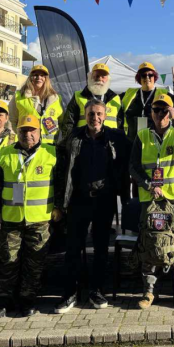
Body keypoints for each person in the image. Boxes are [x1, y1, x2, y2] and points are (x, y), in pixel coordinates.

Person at [54, 99, 130, 313]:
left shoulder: (115, 138)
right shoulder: (74, 137)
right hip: (78, 199)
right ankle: (70, 293)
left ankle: (96, 291)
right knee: (73, 249)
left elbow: (132, 157)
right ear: (85, 116)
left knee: (100, 249)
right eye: (90, 114)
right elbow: (61, 165)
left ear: (105, 116)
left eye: (98, 114)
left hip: (104, 200)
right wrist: (60, 202)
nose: (94, 118)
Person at [0, 114, 59, 317]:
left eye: (32, 130)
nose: (28, 134)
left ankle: (28, 300)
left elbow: (62, 184)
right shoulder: (4, 154)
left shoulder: (52, 153)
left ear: (39, 132)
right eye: (23, 131)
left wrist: (59, 208)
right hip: (11, 219)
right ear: (17, 132)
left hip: (40, 219)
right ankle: (4, 300)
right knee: (8, 260)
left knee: (34, 262)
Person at [129, 92, 174, 309]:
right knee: (150, 243)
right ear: (151, 112)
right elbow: (133, 167)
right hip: (151, 200)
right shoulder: (142, 136)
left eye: (164, 109)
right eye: (156, 110)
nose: (160, 114)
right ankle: (149, 292)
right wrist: (149, 185)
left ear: (170, 111)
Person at [119, 62, 174, 142]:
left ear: (154, 77)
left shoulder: (163, 93)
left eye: (150, 75)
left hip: (155, 141)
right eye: (143, 75)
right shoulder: (128, 94)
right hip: (131, 141)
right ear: (139, 78)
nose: (147, 77)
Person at [59, 62, 122, 135]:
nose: (99, 79)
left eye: (103, 76)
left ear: (108, 79)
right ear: (90, 77)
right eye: (97, 76)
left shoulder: (115, 98)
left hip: (109, 142)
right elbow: (68, 123)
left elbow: (121, 124)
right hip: (84, 142)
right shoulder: (78, 96)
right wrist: (69, 142)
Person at [9, 64, 64, 141]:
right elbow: (11, 121)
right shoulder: (19, 96)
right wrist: (20, 138)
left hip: (49, 147)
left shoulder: (56, 99)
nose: (39, 78)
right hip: (27, 145)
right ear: (30, 77)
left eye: (42, 75)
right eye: (35, 75)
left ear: (46, 79)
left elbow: (63, 124)